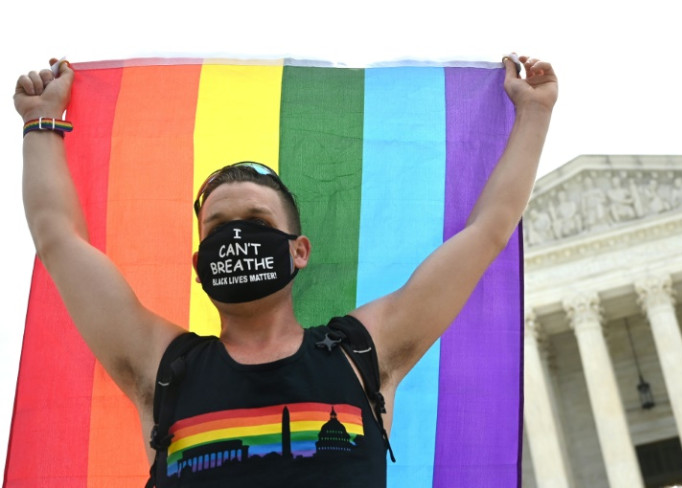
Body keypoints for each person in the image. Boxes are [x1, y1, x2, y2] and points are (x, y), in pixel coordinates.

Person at [14, 54, 557, 487]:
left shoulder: (365, 354)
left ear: (299, 251)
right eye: (218, 225)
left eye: (254, 219)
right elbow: (58, 240)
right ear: (199, 265)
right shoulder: (162, 369)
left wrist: (534, 113)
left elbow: (488, 232)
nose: (236, 234)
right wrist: (42, 121)